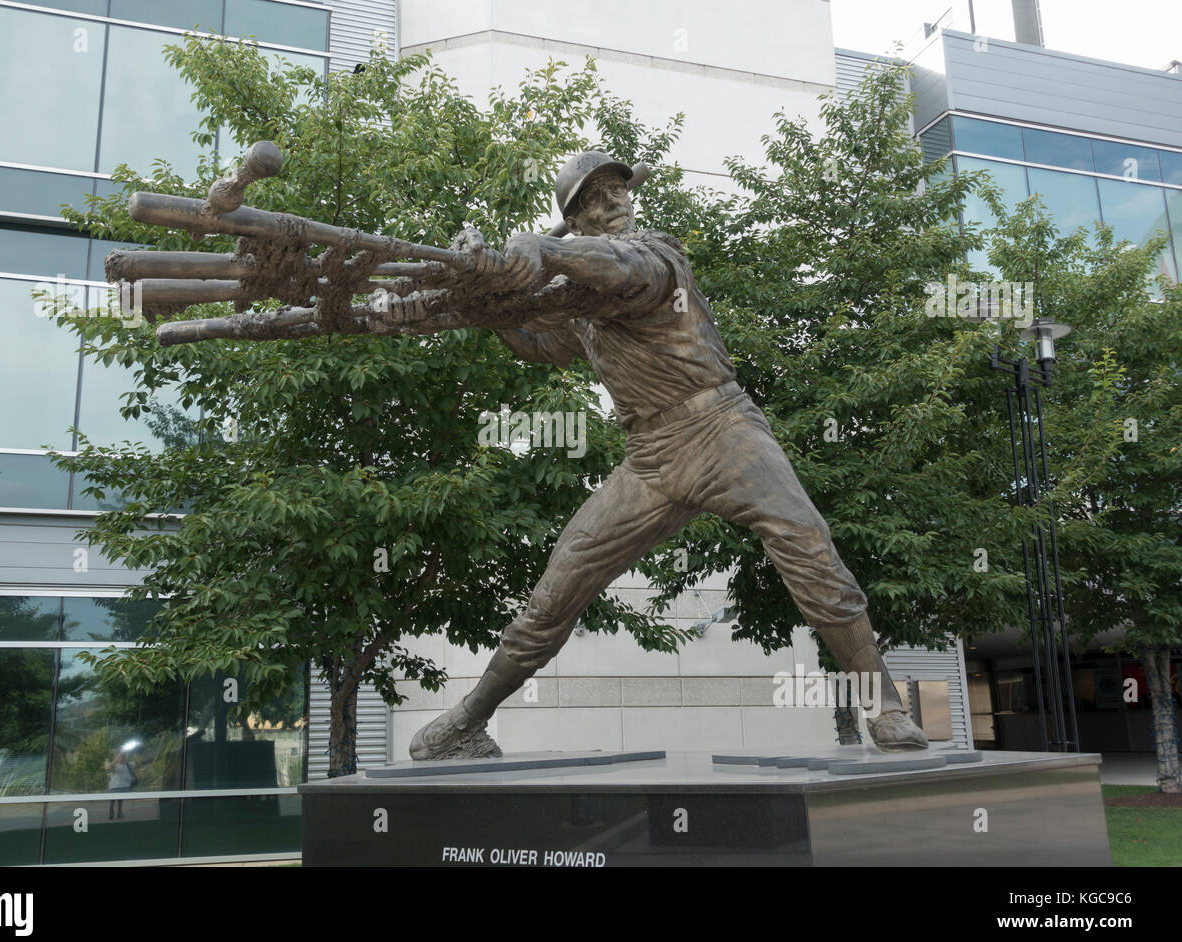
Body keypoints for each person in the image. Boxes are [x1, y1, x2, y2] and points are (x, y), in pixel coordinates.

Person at [391, 151, 929, 758]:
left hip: (722, 427)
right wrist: (481, 295)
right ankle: (469, 718)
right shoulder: (578, 300)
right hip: (650, 455)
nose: (613, 203)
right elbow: (539, 344)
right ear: (579, 217)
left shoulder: (656, 253)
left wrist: (539, 251)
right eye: (593, 199)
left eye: (617, 190)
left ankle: (884, 705)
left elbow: (623, 271)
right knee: (558, 586)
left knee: (808, 548)